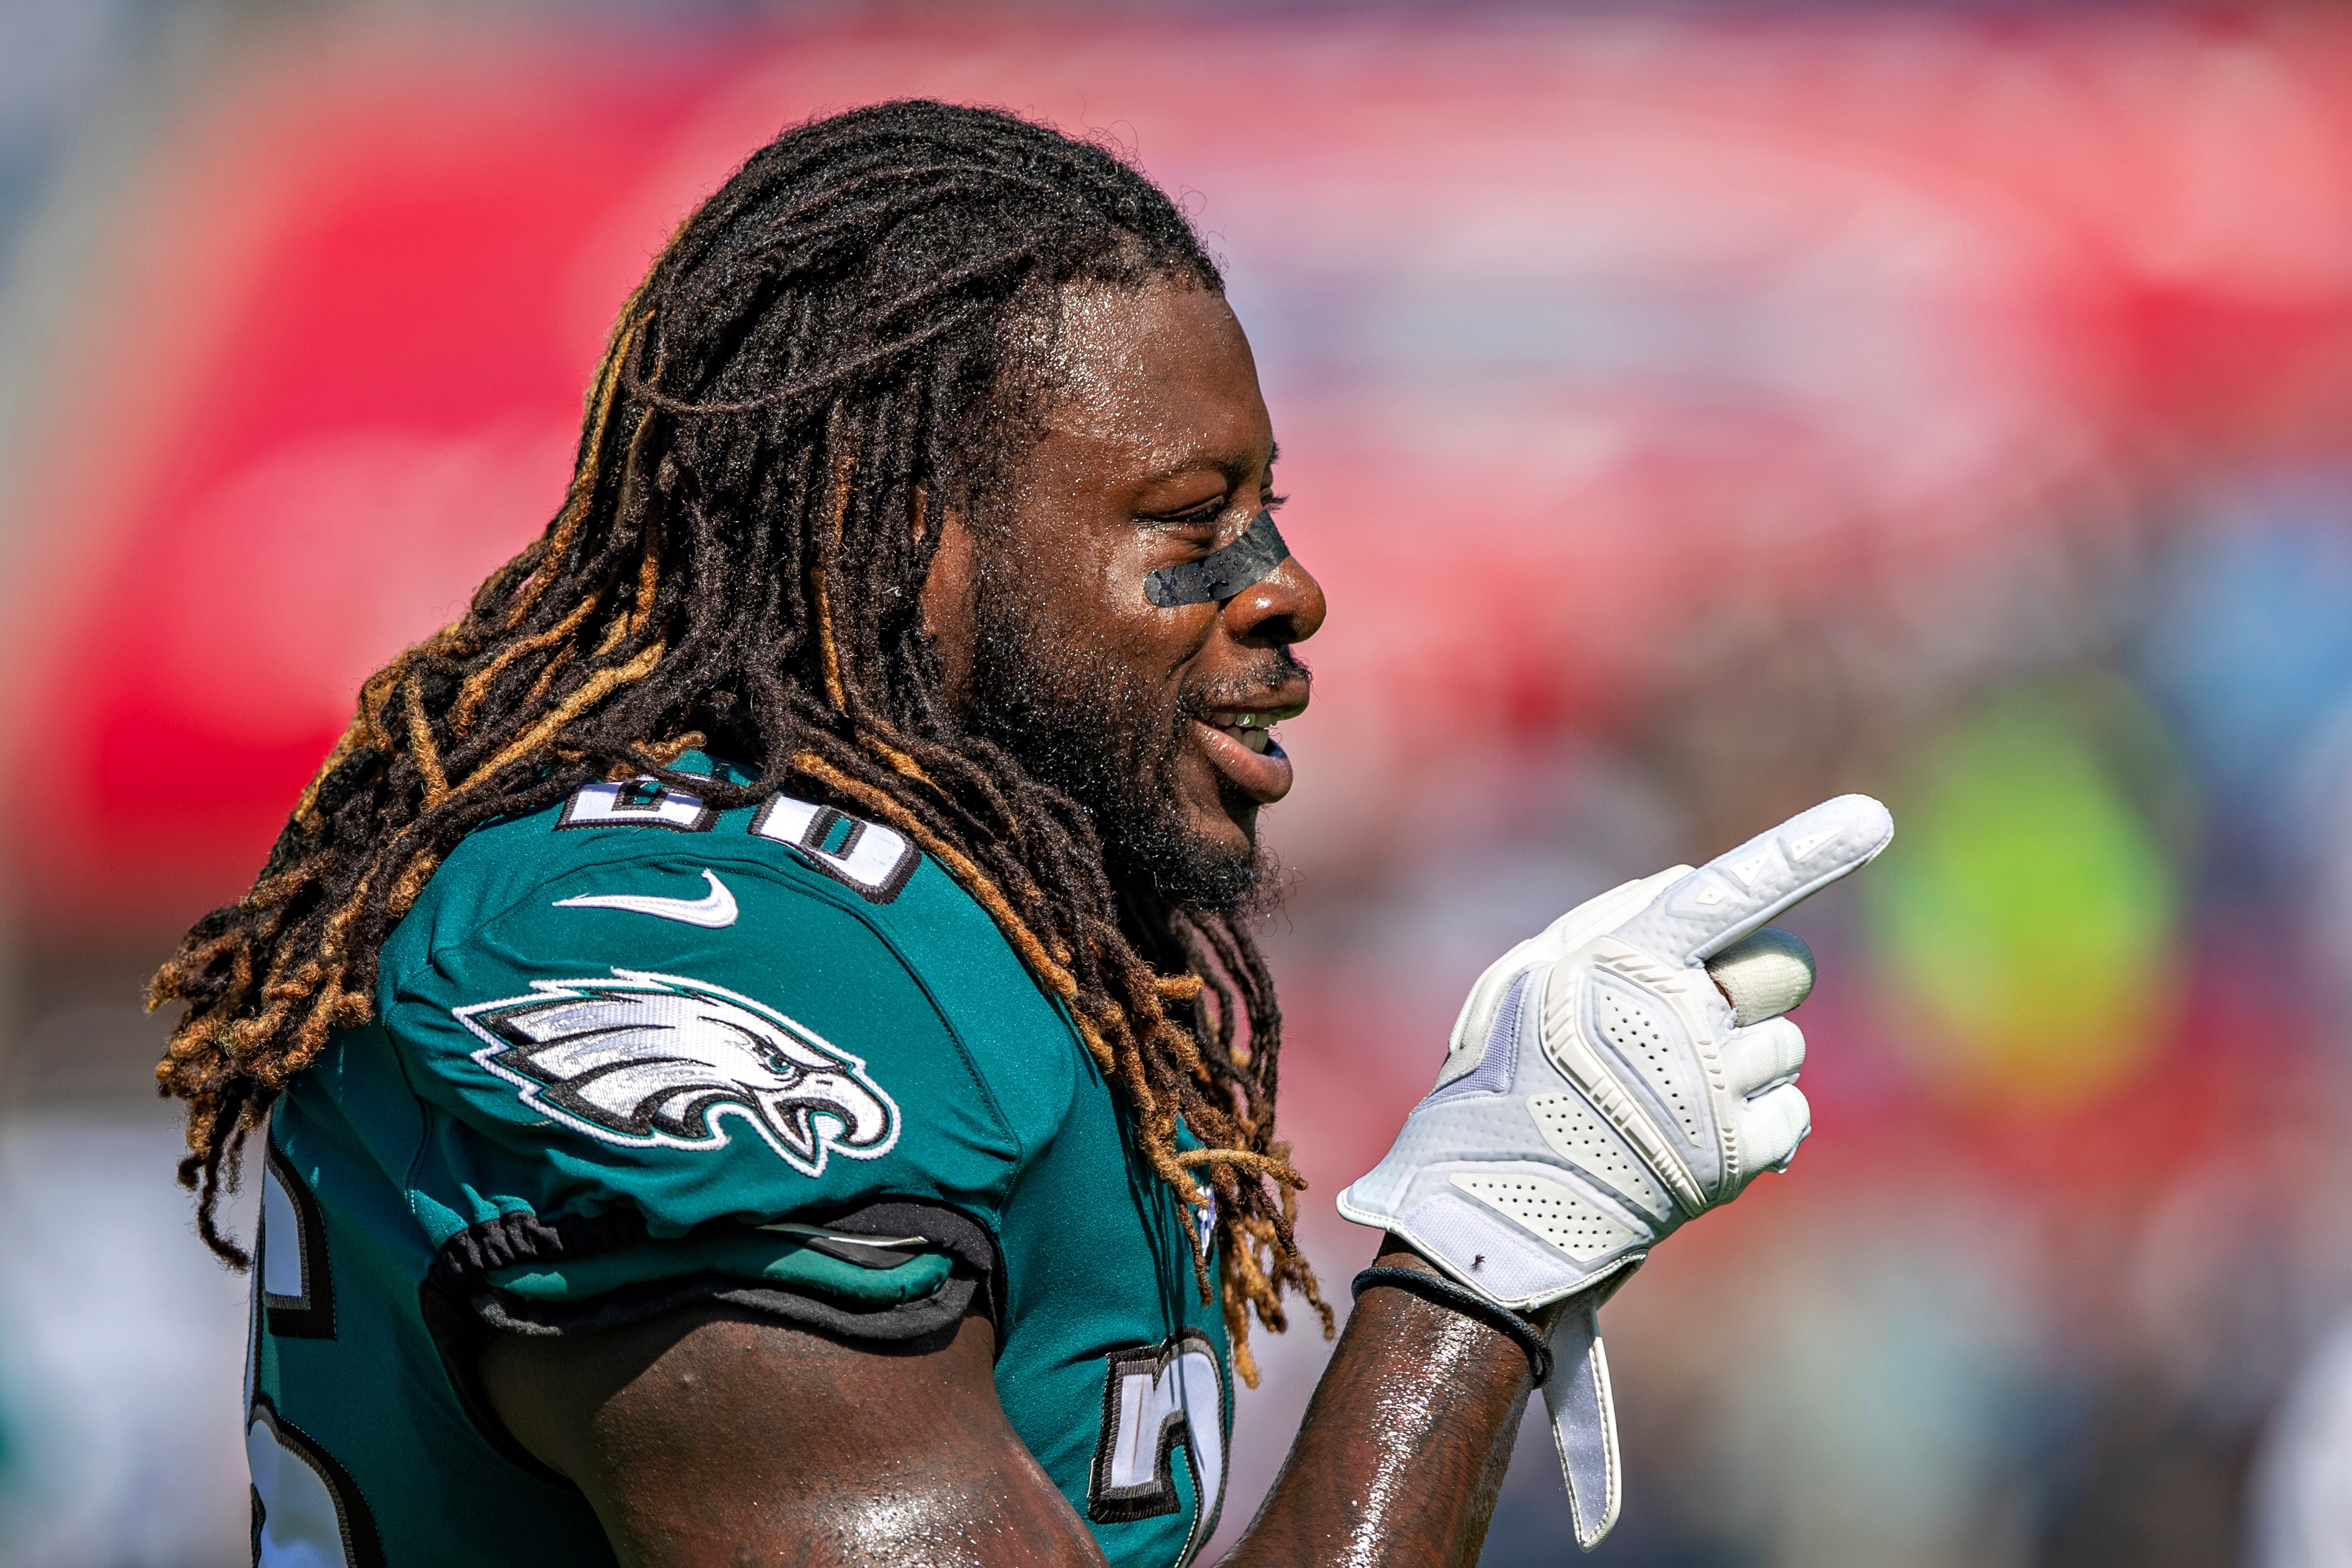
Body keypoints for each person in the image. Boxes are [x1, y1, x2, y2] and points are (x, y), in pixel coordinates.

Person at [150, 100, 1889, 1567]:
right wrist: (1468, 1282)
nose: (1285, 588)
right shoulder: (658, 924)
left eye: (1269, 514)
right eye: (1190, 523)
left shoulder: (967, 938)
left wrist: (1486, 1267)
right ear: (914, 542)